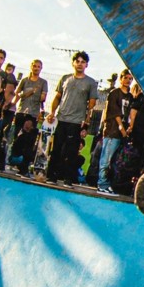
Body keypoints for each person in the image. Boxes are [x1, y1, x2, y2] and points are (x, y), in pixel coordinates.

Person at [46, 51, 98, 187]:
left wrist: (86, 124)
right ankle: (51, 176)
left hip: (76, 122)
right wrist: (52, 112)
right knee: (56, 149)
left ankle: (68, 179)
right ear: (73, 63)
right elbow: (57, 97)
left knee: (72, 152)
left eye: (83, 62)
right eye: (77, 61)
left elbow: (91, 104)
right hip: (61, 119)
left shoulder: (91, 82)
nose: (80, 64)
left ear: (86, 65)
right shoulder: (65, 78)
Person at [97, 69, 133, 194]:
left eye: (130, 78)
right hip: (112, 131)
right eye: (126, 78)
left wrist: (128, 128)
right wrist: (122, 128)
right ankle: (102, 184)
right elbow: (115, 113)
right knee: (106, 159)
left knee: (114, 161)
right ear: (121, 79)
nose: (128, 80)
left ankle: (109, 184)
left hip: (122, 134)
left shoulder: (130, 96)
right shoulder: (114, 93)